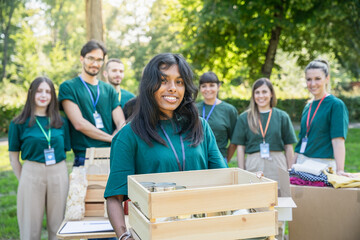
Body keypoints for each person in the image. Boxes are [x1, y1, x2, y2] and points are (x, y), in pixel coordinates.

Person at [104, 53, 227, 239]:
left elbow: (223, 179)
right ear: (148, 85)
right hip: (155, 233)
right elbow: (114, 198)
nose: (172, 89)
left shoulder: (201, 126)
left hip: (203, 230)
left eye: (179, 82)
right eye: (163, 81)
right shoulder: (128, 135)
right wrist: (123, 236)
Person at [8, 77, 70, 240]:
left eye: (48, 91)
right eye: (39, 91)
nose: (44, 95)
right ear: (31, 93)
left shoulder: (61, 122)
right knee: (30, 227)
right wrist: (24, 180)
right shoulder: (18, 123)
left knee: (59, 227)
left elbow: (65, 149)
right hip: (31, 173)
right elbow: (14, 158)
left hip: (58, 172)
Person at [58, 40, 126, 166]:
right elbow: (79, 124)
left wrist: (117, 136)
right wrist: (113, 139)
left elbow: (121, 121)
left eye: (99, 60)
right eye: (91, 58)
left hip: (112, 155)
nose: (95, 64)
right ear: (81, 58)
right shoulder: (68, 87)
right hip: (85, 158)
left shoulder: (108, 89)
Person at [231, 78, 297, 182]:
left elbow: (288, 147)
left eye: (264, 92)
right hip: (253, 164)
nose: (261, 96)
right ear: (253, 95)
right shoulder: (244, 117)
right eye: (257, 92)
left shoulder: (282, 116)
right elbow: (240, 148)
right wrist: (241, 171)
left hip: (277, 164)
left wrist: (291, 172)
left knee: (279, 195)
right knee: (255, 195)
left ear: (271, 94)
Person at [293, 59, 351, 177]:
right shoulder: (308, 106)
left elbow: (338, 140)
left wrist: (340, 170)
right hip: (302, 163)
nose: (313, 84)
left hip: (322, 165)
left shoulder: (335, 105)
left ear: (327, 78)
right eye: (309, 79)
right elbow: (302, 140)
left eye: (317, 79)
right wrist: (291, 167)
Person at [196, 71, 238, 164]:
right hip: (196, 159)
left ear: (218, 86)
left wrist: (225, 160)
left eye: (211, 85)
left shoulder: (229, 110)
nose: (207, 89)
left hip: (219, 159)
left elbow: (234, 141)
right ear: (200, 88)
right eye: (204, 86)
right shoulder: (193, 109)